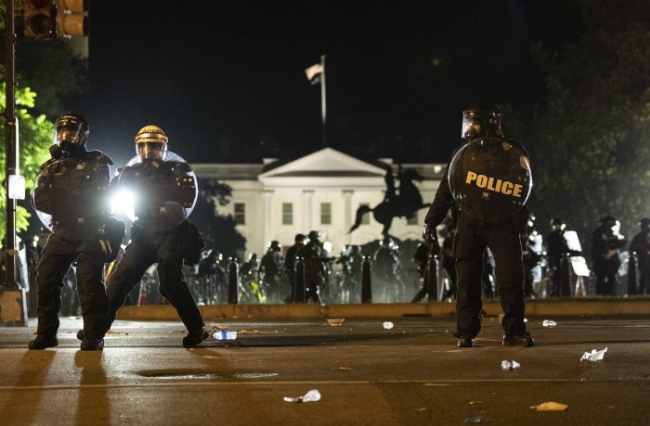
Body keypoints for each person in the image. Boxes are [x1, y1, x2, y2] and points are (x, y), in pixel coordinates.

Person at [422, 105, 534, 348]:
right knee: (467, 280)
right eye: (468, 122)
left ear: (491, 123)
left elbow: (523, 188)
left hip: (503, 223)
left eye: (476, 122)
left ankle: (514, 331)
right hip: (469, 221)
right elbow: (447, 189)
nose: (470, 127)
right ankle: (466, 332)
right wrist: (432, 219)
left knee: (511, 279)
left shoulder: (511, 151)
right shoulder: (463, 152)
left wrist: (520, 225)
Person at [91, 125, 208, 347]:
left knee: (170, 283)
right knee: (118, 280)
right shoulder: (130, 172)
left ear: (164, 148)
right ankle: (96, 331)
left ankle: (197, 329)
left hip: (170, 234)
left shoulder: (176, 170)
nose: (149, 151)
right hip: (143, 234)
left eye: (154, 146)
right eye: (144, 146)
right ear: (137, 148)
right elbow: (108, 193)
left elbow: (186, 199)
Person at [30, 112, 121, 350]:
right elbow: (40, 200)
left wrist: (65, 201)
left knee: (89, 286)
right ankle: (46, 333)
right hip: (61, 231)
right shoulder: (50, 166)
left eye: (71, 133)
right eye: (62, 133)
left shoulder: (97, 163)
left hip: (89, 232)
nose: (66, 137)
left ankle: (94, 335)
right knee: (45, 279)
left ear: (81, 135)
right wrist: (72, 203)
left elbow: (98, 197)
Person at [590, 215, 627, 296]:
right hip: (600, 259)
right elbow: (597, 246)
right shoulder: (598, 234)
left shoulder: (609, 233)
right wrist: (605, 253)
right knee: (601, 277)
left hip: (610, 261)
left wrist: (618, 245)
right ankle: (601, 293)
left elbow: (615, 243)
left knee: (611, 277)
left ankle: (608, 292)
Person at [546, 218, 581, 297]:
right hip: (555, 261)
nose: (559, 227)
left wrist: (573, 252)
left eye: (560, 225)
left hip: (560, 261)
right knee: (556, 280)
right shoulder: (552, 237)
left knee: (561, 280)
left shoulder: (561, 237)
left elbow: (564, 249)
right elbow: (556, 250)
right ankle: (555, 296)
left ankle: (560, 295)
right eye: (557, 225)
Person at [297, 231, 329, 304]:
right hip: (310, 271)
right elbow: (316, 259)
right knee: (312, 289)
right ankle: (317, 303)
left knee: (313, 289)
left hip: (315, 271)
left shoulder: (316, 248)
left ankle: (311, 301)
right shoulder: (308, 248)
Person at [630, 218, 650, 295]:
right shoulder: (638, 237)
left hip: (645, 260)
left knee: (644, 279)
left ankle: (641, 293)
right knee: (646, 278)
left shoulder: (641, 237)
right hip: (643, 260)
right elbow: (633, 248)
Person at [284, 234, 306, 303]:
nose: (300, 242)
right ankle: (293, 299)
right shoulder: (291, 250)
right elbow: (288, 261)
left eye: (301, 240)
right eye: (299, 240)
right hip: (294, 273)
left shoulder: (305, 249)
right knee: (295, 287)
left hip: (303, 273)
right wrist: (289, 270)